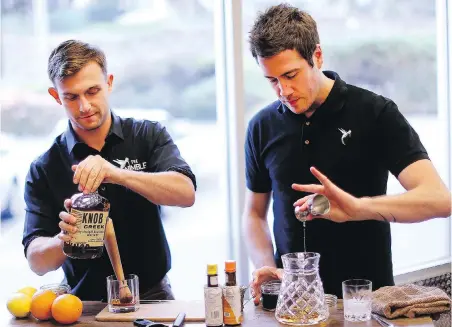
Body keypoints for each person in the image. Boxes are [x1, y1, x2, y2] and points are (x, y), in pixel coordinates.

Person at [243, 4, 451, 302]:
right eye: (272, 80)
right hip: (292, 303)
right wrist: (266, 266)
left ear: (317, 55)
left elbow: (439, 200)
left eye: (291, 75)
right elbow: (253, 214)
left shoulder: (375, 113)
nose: (283, 91)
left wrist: (357, 208)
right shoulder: (261, 126)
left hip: (367, 302)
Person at [22, 40, 196, 300]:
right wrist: (64, 239)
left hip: (153, 295)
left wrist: (115, 173)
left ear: (109, 82)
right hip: (81, 304)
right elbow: (36, 261)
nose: (84, 106)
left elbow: (186, 194)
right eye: (71, 96)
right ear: (56, 95)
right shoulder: (45, 167)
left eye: (92, 91)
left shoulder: (147, 135)